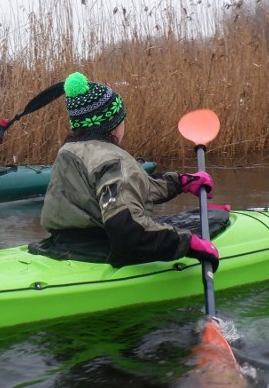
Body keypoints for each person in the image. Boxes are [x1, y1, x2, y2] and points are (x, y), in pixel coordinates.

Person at [29, 71, 221, 268]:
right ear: (113, 125)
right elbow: (129, 235)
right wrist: (187, 243)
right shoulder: (113, 160)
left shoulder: (69, 151)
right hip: (100, 252)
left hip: (60, 245)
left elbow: (128, 189)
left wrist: (180, 182)